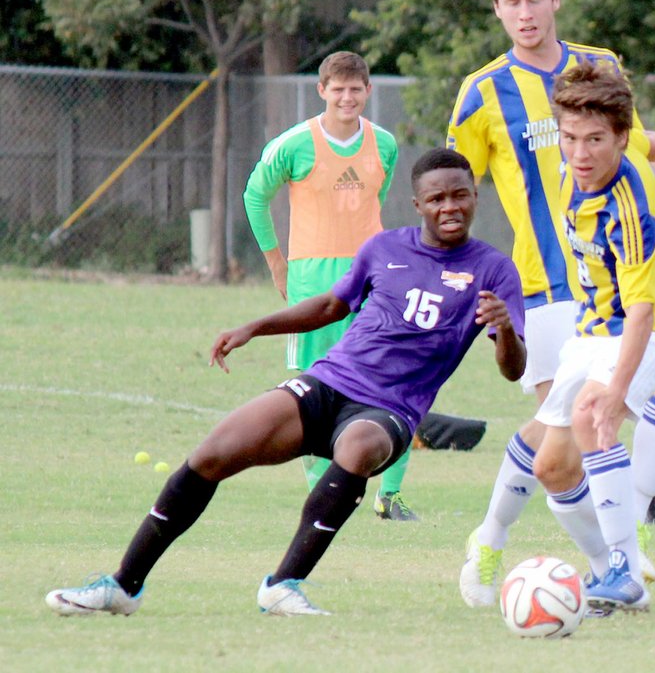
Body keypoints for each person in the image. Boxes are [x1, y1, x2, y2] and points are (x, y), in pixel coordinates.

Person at [44, 148, 527, 618]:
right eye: (437, 198)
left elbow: (514, 369)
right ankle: (122, 587)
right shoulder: (384, 248)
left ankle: (283, 586)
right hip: (329, 383)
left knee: (358, 448)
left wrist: (504, 328)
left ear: (475, 197)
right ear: (418, 204)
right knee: (214, 451)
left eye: (460, 195)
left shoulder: (494, 269)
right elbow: (329, 307)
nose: (450, 207)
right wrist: (254, 327)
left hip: (390, 410)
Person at [448, 0, 655, 607]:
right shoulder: (483, 91)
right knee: (563, 445)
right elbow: (452, 189)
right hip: (547, 290)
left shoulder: (600, 67)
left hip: (616, 284)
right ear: (496, 10)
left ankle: (622, 549)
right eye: (510, 3)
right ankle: (507, 537)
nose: (524, 13)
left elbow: (632, 141)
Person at [533, 60, 655, 611]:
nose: (580, 153)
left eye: (596, 140)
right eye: (570, 138)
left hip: (651, 325)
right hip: (596, 326)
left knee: (591, 414)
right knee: (551, 467)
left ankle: (625, 567)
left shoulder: (627, 208)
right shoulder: (574, 167)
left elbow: (645, 312)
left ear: (619, 139)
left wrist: (615, 393)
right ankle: (608, 571)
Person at [243, 50, 416, 519]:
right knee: (316, 386)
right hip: (312, 282)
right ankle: (324, 492)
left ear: (368, 92)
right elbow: (255, 195)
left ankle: (391, 496)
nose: (346, 97)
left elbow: (374, 200)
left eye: (354, 88)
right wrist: (278, 263)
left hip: (374, 278)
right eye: (336, 88)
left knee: (394, 374)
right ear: (321, 91)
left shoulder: (384, 144)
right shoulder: (295, 143)